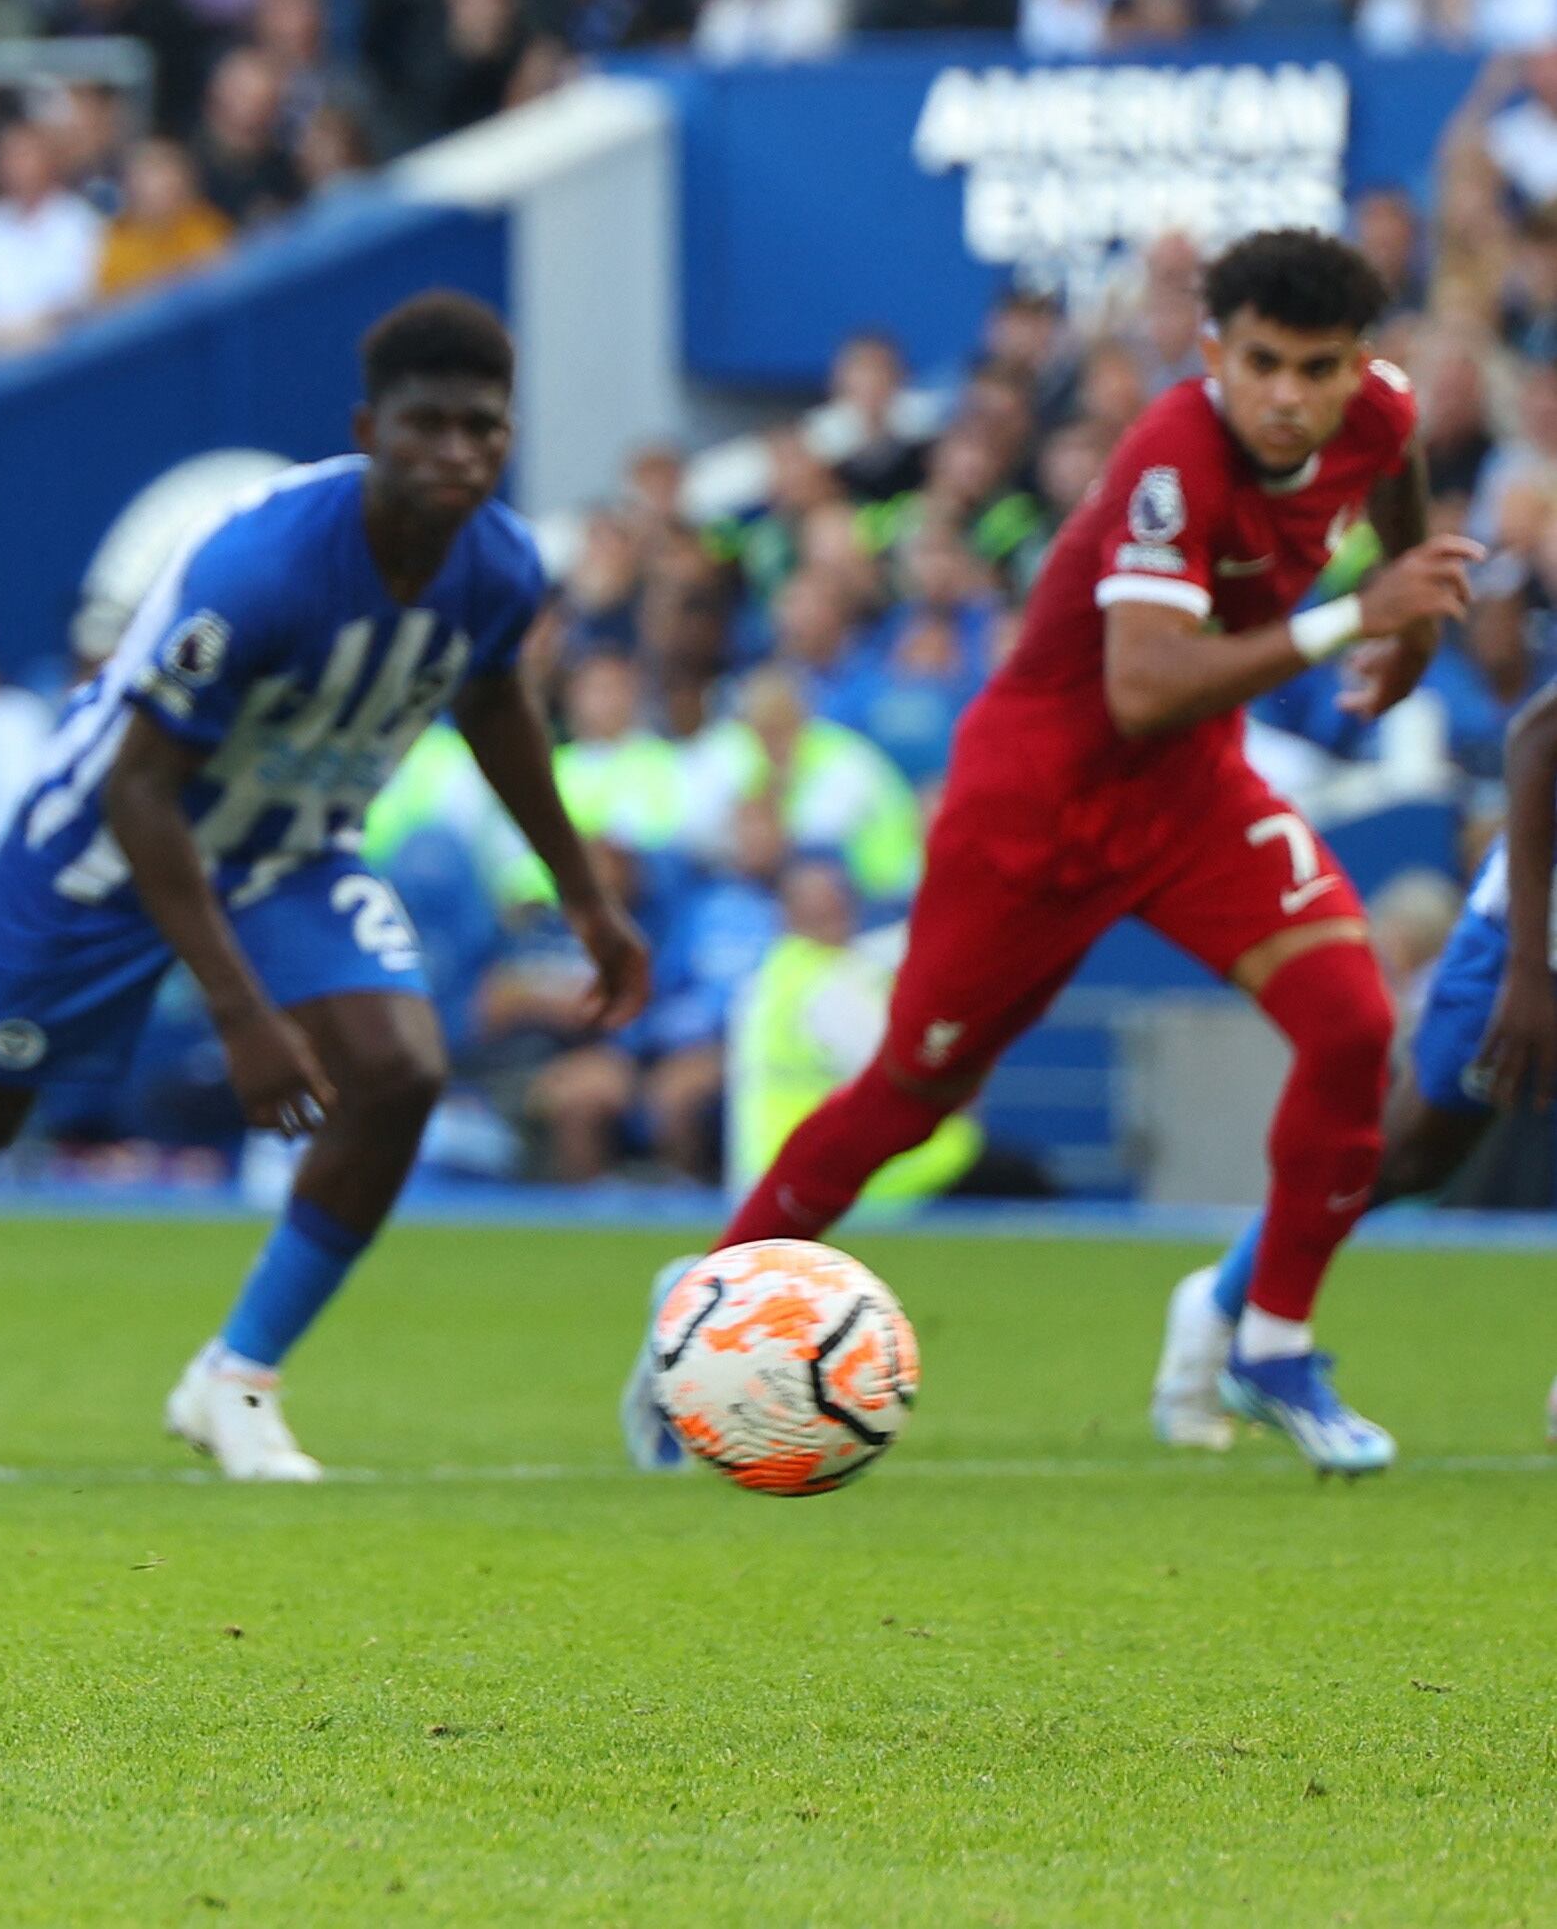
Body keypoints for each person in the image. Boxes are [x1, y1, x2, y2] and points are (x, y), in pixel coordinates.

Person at [0, 293, 650, 1476]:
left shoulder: (501, 566)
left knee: (400, 1070)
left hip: (289, 848)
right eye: (430, 426)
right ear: (369, 427)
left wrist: (581, 895)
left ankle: (236, 1376)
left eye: (484, 428)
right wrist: (242, 1015)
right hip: (101, 848)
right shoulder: (262, 565)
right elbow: (140, 792)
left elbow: (495, 703)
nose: (460, 453)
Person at [632, 231, 1475, 1477]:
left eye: (1318, 367)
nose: (1289, 395)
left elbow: (1392, 456)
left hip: (1190, 796)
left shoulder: (1376, 412)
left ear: (1358, 366)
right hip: (1034, 807)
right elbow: (1140, 687)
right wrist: (1362, 614)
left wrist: (1403, 622)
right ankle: (700, 1317)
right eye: (1261, 364)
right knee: (905, 1102)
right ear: (1211, 354)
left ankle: (1270, 1342)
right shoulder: (1169, 457)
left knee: (1352, 1024)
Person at [1154, 668, 1557, 1448]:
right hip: (1528, 948)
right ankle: (1217, 1307)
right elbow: (1535, 738)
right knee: (1409, 1155)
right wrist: (1526, 970)